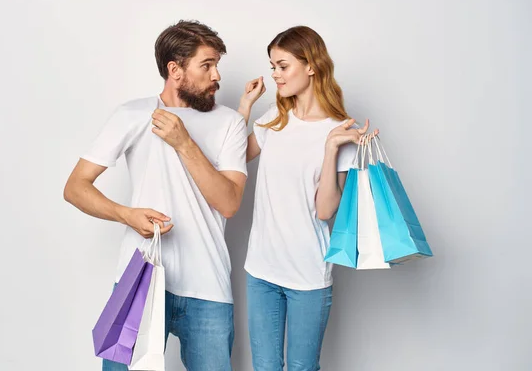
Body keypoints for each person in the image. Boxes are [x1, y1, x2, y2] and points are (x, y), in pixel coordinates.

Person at [64, 20, 249, 371]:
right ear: (175, 70)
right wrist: (126, 214)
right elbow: (75, 187)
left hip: (207, 286)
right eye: (206, 65)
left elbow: (229, 203)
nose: (217, 76)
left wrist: (184, 143)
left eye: (217, 65)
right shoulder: (131, 115)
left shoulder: (230, 124)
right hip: (139, 279)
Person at [238, 25, 377, 371]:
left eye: (283, 66)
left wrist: (331, 147)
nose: (275, 75)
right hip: (261, 271)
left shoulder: (340, 129)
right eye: (272, 66)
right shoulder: (274, 117)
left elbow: (325, 209)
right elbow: (235, 157)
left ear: (311, 65)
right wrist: (245, 105)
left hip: (307, 274)